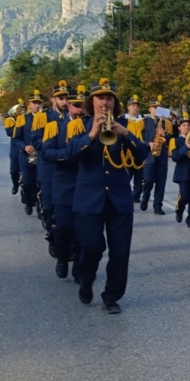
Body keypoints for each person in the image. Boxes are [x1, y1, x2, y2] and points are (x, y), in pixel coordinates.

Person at [66, 79, 149, 313]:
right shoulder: (79, 126)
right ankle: (86, 277)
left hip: (119, 197)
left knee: (120, 252)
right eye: (100, 98)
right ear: (91, 102)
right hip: (88, 197)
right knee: (91, 246)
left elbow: (142, 156)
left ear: (115, 102)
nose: (105, 102)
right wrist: (91, 135)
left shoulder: (126, 125)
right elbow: (69, 155)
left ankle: (111, 296)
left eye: (109, 98)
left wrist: (127, 136)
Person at [43, 84, 88, 281]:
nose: (79, 110)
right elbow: (47, 152)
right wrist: (67, 155)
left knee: (83, 230)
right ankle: (62, 258)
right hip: (64, 183)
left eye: (82, 106)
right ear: (68, 106)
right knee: (63, 227)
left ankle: (79, 266)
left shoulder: (93, 127)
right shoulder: (56, 127)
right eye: (75, 105)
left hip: (87, 185)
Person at [34, 82, 69, 249]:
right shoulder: (44, 117)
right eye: (61, 98)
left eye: (67, 99)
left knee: (67, 211)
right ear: (52, 99)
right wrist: (54, 148)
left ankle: (66, 245)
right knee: (48, 208)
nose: (64, 102)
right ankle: (52, 237)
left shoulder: (76, 117)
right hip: (48, 168)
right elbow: (36, 140)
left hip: (68, 171)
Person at [141, 96, 174, 215]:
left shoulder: (167, 123)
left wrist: (164, 136)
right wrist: (148, 143)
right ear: (149, 109)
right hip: (149, 156)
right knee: (148, 181)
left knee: (161, 182)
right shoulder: (143, 122)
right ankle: (145, 198)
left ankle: (157, 206)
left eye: (158, 107)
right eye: (154, 107)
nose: (156, 109)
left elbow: (171, 138)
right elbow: (138, 139)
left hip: (162, 156)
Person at [17, 91, 45, 214]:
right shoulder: (22, 119)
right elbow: (16, 138)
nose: (37, 105)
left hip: (42, 155)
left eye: (39, 103)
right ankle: (28, 201)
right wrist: (24, 147)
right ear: (29, 104)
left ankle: (40, 207)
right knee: (28, 182)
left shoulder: (47, 118)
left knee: (40, 183)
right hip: (27, 155)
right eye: (35, 103)